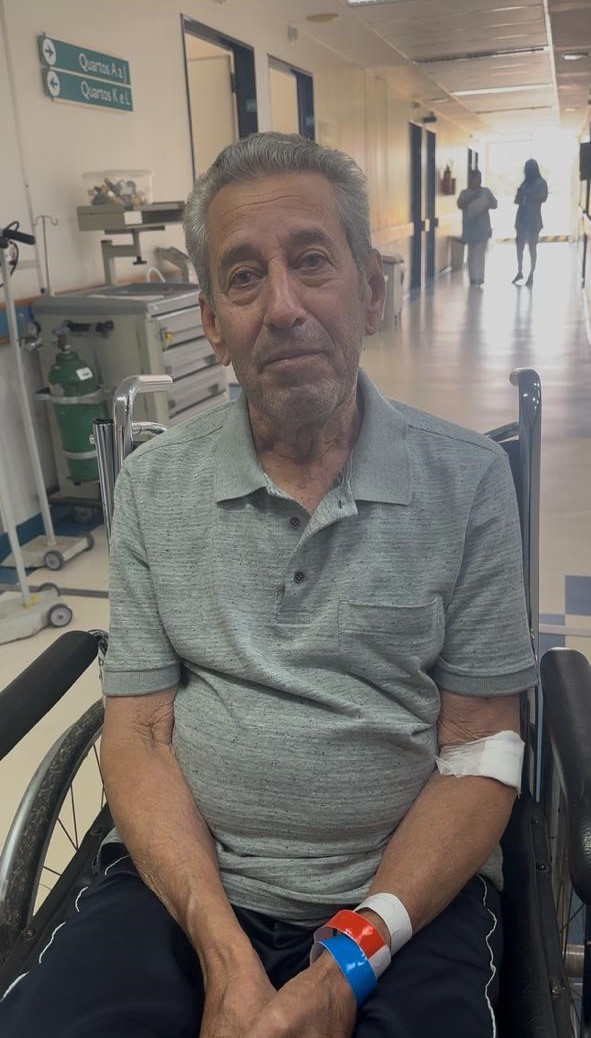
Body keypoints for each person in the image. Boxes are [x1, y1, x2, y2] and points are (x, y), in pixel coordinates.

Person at [0, 133, 537, 1038]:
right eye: (244, 276)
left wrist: (346, 963)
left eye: (312, 260)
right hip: (182, 887)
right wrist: (224, 955)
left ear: (371, 291)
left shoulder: (468, 481)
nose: (282, 306)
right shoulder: (156, 487)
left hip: (404, 898)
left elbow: (480, 746)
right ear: (212, 322)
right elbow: (139, 732)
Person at [457, 169, 498, 286]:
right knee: (471, 253)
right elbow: (460, 204)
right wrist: (473, 197)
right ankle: (473, 278)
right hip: (470, 229)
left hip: (483, 228)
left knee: (480, 253)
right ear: (471, 179)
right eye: (476, 178)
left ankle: (480, 277)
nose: (478, 181)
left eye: (480, 178)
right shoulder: (465, 193)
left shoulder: (485, 192)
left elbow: (495, 204)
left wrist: (487, 204)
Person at [512, 159, 548, 287]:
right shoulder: (525, 183)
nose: (524, 171)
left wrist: (527, 195)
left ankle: (531, 273)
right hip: (521, 219)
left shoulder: (541, 183)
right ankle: (520, 271)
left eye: (526, 169)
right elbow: (517, 200)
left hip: (533, 219)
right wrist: (520, 196)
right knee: (519, 247)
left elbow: (543, 198)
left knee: (532, 248)